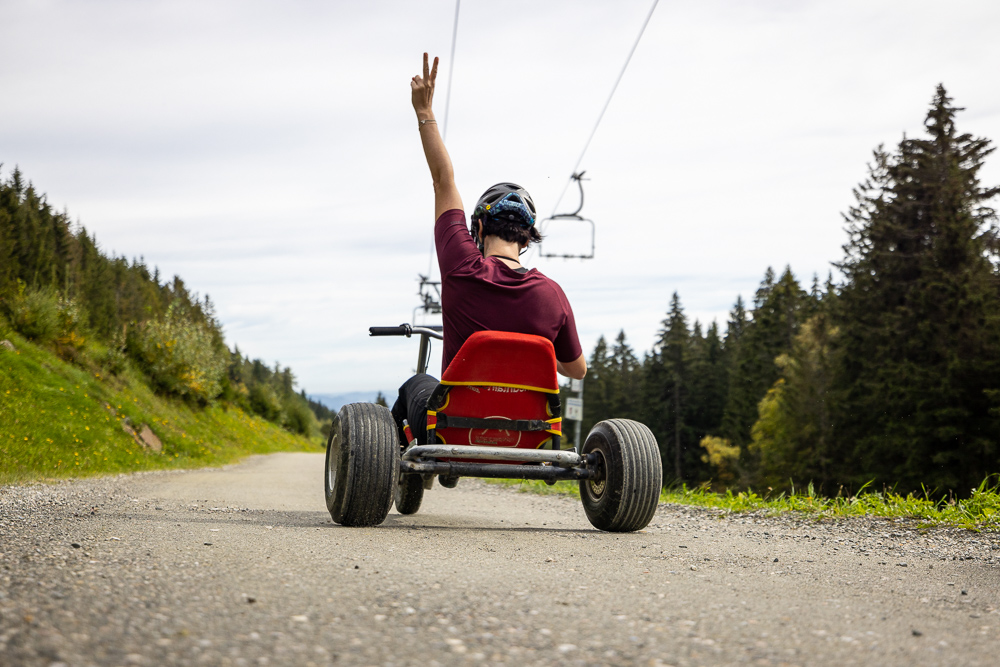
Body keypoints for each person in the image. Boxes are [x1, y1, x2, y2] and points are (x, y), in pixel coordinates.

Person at [391, 53, 587, 446]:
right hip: (527, 435)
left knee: (414, 385)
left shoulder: (462, 266)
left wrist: (424, 111)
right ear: (528, 239)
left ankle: (406, 469)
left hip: (453, 426)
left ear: (477, 227)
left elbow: (443, 180)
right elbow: (575, 370)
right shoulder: (553, 295)